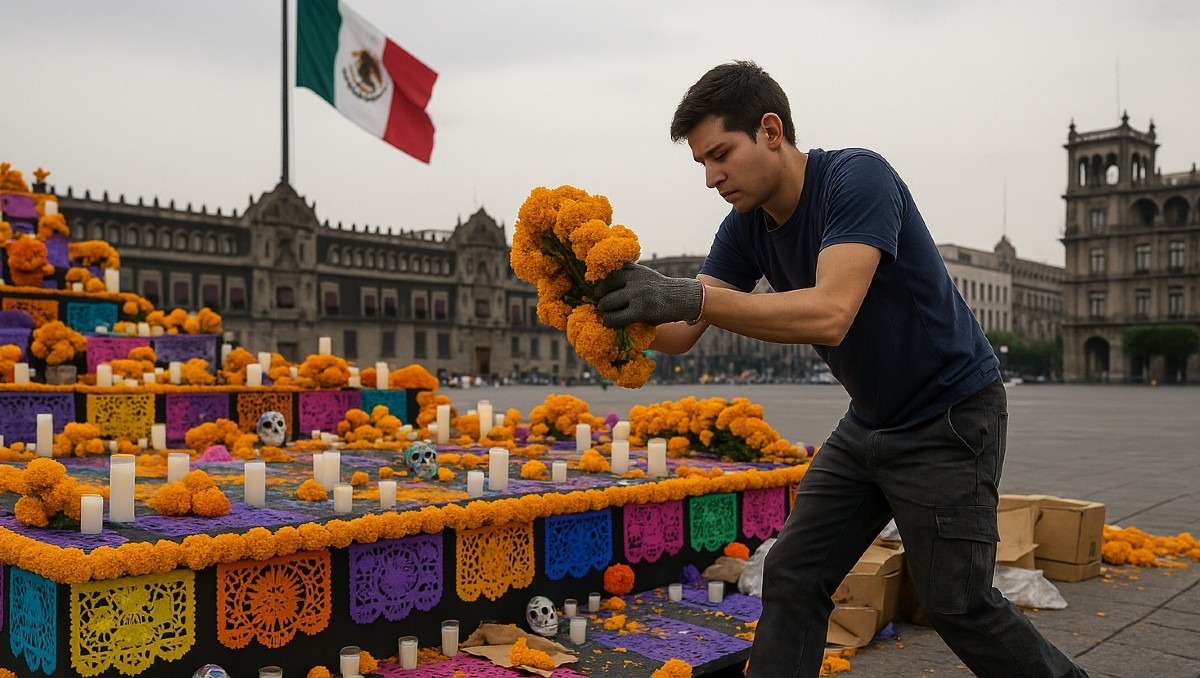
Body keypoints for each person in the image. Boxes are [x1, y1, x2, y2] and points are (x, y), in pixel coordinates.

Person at [595, 61, 1089, 678]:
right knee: (793, 573)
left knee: (957, 603)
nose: (711, 177)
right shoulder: (745, 227)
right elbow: (679, 334)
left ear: (770, 130)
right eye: (701, 163)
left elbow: (831, 313)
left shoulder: (857, 179)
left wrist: (686, 296)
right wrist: (594, 303)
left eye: (720, 154)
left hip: (950, 415)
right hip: (871, 421)